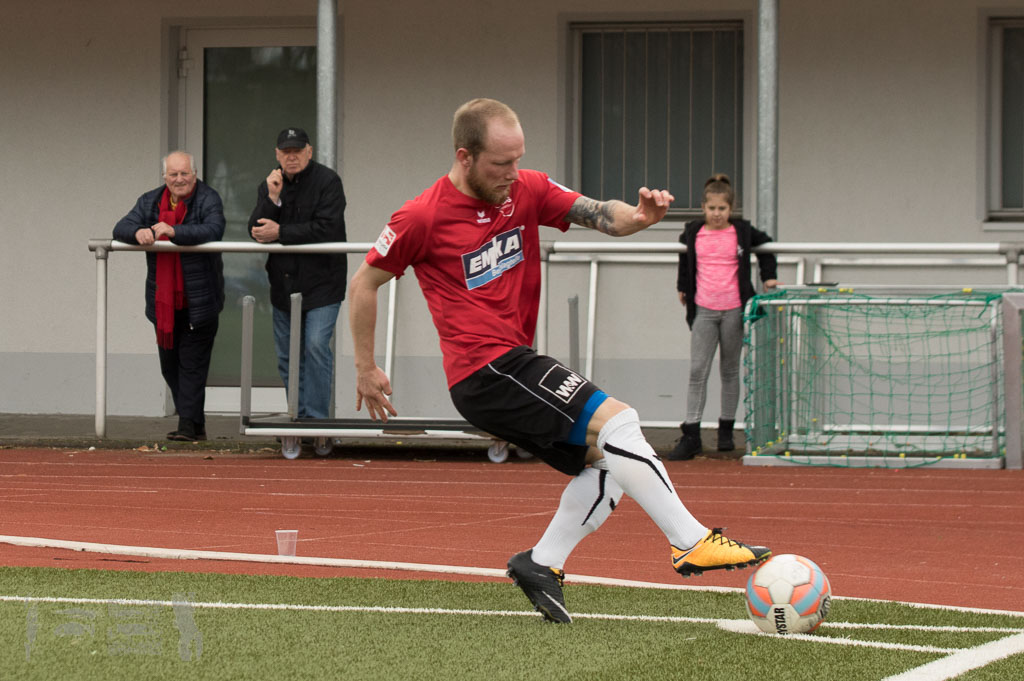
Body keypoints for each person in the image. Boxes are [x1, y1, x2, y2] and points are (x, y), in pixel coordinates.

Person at [348, 98, 771, 623]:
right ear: (464, 156)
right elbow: (364, 282)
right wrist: (366, 367)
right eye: (500, 164)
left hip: (511, 364)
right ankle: (689, 541)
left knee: (610, 465)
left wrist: (638, 218)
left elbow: (599, 214)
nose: (512, 173)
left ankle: (540, 563)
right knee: (621, 420)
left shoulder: (524, 189)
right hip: (485, 369)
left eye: (518, 159)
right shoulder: (421, 216)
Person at [113, 151, 225, 441]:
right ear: (165, 177)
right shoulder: (149, 200)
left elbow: (214, 229)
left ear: (194, 174)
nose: (179, 179)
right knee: (169, 364)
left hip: (200, 300)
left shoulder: (208, 198)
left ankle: (187, 424)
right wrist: (138, 232)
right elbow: (121, 227)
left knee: (192, 363)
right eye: (173, 174)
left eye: (184, 173)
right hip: (163, 302)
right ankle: (195, 423)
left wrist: (174, 231)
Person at [670, 174, 778, 461]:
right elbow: (685, 261)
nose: (717, 214)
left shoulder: (741, 232)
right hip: (704, 308)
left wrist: (769, 278)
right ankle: (692, 432)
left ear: (731, 210)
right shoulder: (693, 232)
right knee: (698, 371)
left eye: (722, 209)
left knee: (730, 370)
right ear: (703, 208)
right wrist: (682, 286)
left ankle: (726, 431)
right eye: (712, 209)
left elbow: (767, 248)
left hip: (733, 309)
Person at [248, 127, 348, 419]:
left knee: (316, 347)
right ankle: (298, 416)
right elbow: (256, 230)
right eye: (286, 152)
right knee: (287, 357)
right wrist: (272, 198)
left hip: (323, 283)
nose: (291, 157)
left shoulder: (328, 181)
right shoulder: (270, 184)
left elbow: (327, 228)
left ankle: (316, 422)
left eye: (297, 151)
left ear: (309, 152)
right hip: (283, 285)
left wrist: (281, 232)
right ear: (277, 154)